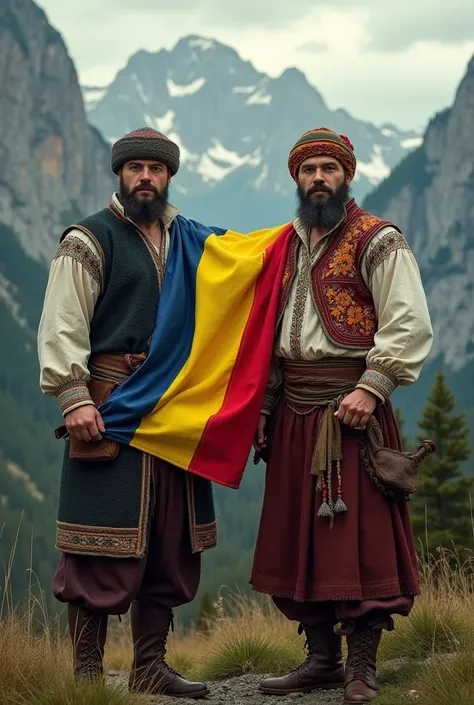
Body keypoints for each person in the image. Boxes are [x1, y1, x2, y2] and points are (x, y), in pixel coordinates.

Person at [251, 128, 433, 704]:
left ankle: (361, 668)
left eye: (330, 168)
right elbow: (267, 331)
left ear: (347, 175)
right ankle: (322, 659)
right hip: (292, 411)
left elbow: (408, 324)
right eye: (309, 170)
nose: (319, 179)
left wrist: (373, 387)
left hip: (354, 409)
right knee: (302, 540)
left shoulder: (378, 240)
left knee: (360, 541)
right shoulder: (284, 246)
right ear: (297, 179)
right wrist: (263, 404)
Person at [37, 128, 216, 698]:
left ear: (170, 176)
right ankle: (87, 676)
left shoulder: (187, 239)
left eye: (156, 169)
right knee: (97, 543)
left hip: (173, 410)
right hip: (110, 404)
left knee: (170, 539)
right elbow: (62, 322)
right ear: (120, 174)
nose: (146, 177)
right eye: (135, 167)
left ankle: (149, 667)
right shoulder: (89, 239)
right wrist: (75, 397)